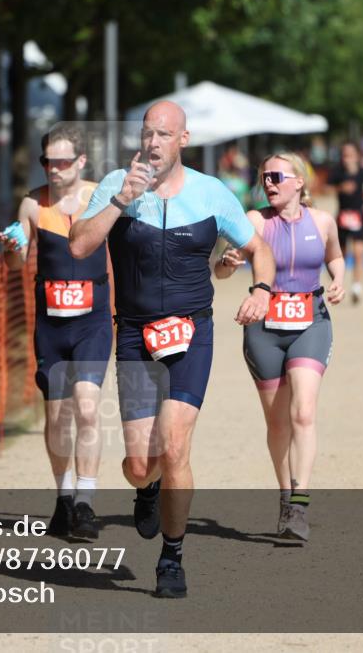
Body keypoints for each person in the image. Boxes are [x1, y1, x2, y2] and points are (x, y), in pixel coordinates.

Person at [69, 101, 275, 598]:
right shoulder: (117, 183)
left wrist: (261, 290)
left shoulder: (211, 192)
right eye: (147, 133)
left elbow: (258, 250)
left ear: (183, 139)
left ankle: (172, 558)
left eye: (164, 134)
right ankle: (147, 487)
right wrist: (119, 201)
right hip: (137, 334)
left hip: (190, 332)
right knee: (140, 463)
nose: (153, 142)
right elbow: (78, 245)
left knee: (176, 443)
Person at [217, 152, 344, 542]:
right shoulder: (254, 221)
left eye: (275, 176)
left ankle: (300, 505)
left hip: (311, 322)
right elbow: (221, 272)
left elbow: (334, 255)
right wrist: (227, 261)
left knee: (303, 412)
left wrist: (340, 278)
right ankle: (285, 494)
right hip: (264, 330)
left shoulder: (322, 221)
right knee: (277, 423)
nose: (268, 184)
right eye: (263, 178)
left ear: (299, 182)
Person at [0, 124, 111, 540]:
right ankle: (64, 499)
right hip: (51, 324)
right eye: (48, 162)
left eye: (63, 162)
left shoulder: (101, 197)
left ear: (81, 161)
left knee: (86, 407)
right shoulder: (32, 205)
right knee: (57, 416)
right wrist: (11, 251)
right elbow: (16, 261)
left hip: (93, 320)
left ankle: (86, 502)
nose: (54, 169)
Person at [327, 142, 363, 304]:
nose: (347, 158)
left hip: (358, 216)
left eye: (350, 155)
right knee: (341, 255)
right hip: (343, 216)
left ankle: (357, 287)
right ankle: (339, 285)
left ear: (357, 156)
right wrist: (340, 188)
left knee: (359, 252)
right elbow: (325, 188)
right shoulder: (337, 172)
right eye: (345, 155)